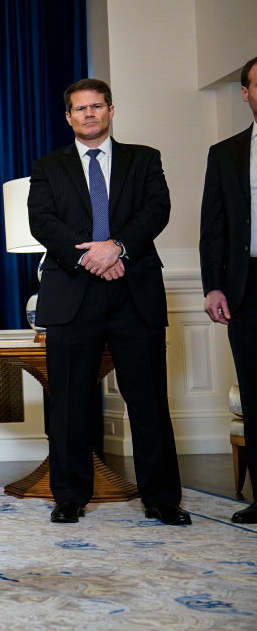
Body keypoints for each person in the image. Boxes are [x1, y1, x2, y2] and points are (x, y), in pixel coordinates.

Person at [28, 78, 189, 526]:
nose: (89, 114)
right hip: (72, 295)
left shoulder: (144, 159)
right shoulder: (47, 166)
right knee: (68, 404)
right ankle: (70, 496)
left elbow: (156, 211)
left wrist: (116, 247)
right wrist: (93, 257)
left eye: (97, 106)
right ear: (68, 117)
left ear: (111, 111)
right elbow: (42, 221)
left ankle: (162, 499)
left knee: (149, 402)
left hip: (133, 293)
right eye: (80, 109)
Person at [200, 56, 257, 524]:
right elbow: (212, 227)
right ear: (245, 93)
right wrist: (213, 286)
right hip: (247, 287)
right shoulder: (226, 153)